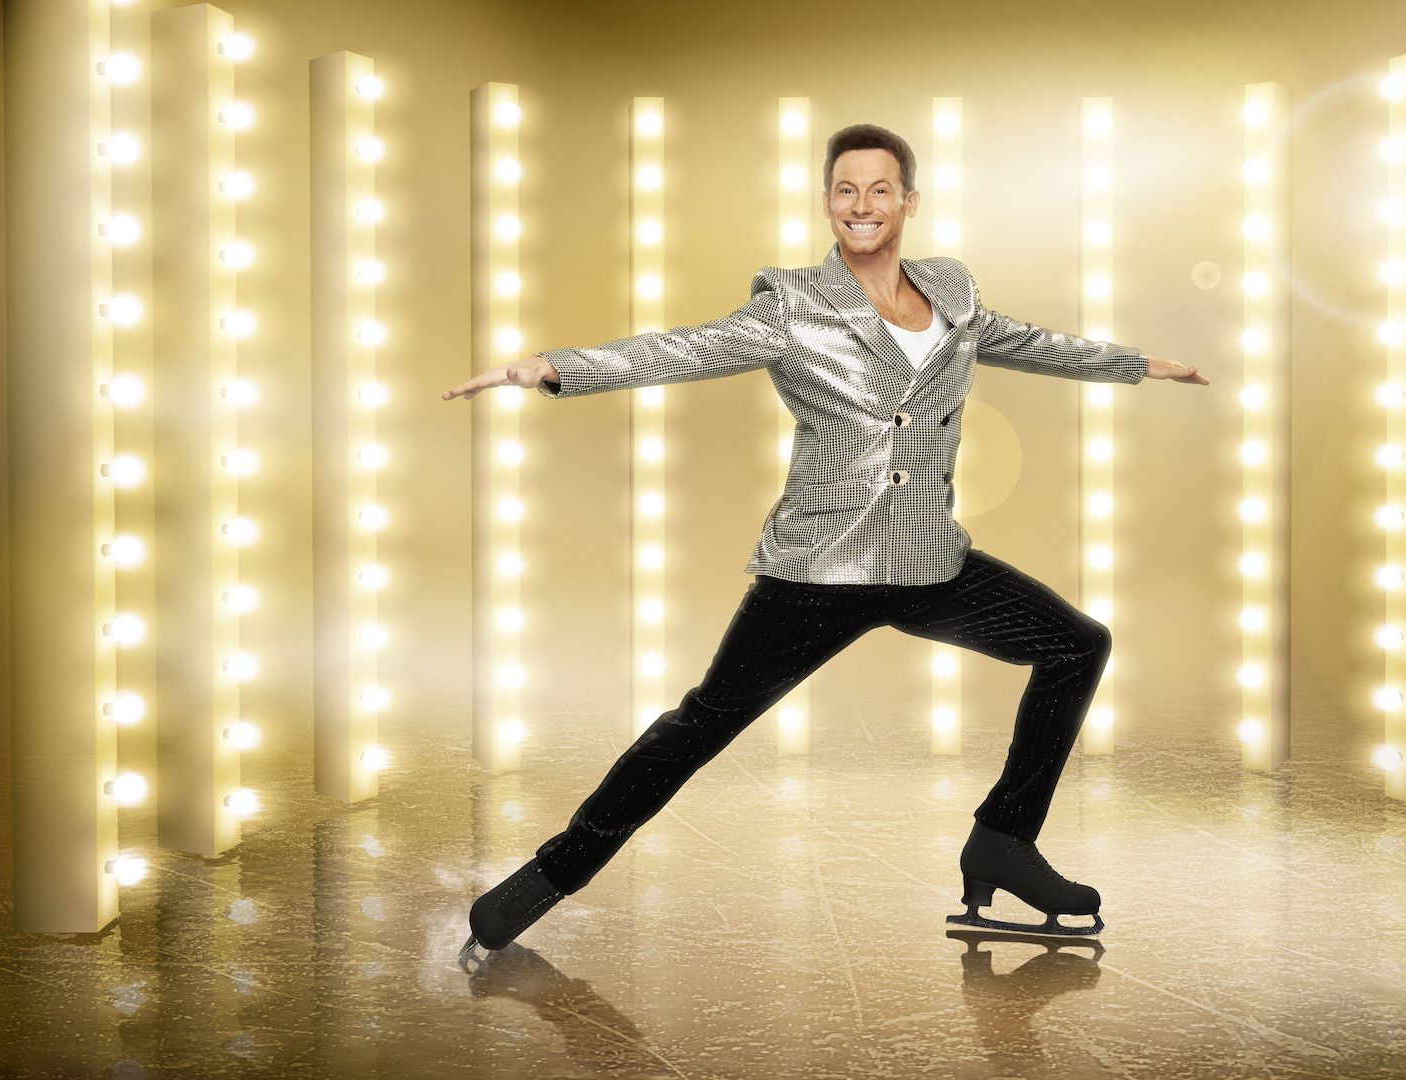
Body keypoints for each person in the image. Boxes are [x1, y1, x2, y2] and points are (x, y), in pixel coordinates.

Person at [445, 123, 1208, 958]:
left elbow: (1026, 341)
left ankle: (1003, 842)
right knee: (700, 725)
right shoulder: (792, 304)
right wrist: (552, 367)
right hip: (821, 566)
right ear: (826, 203)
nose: (862, 204)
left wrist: (1138, 364)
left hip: (927, 561)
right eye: (846, 190)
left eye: (880, 189)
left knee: (1076, 645)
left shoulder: (952, 291)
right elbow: (685, 349)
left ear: (908, 202)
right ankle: (549, 875)